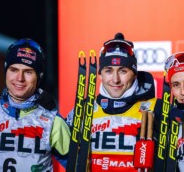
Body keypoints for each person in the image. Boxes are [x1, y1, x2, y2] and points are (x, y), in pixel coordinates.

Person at [66, 33, 158, 171]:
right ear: (100, 73)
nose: (115, 80)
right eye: (108, 71)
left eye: (123, 71)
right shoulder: (82, 110)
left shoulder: (157, 108)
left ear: (134, 73)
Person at [0, 38, 71, 171]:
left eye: (28, 72)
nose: (19, 78)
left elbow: (78, 164)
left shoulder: (52, 121)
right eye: (14, 70)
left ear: (39, 76)